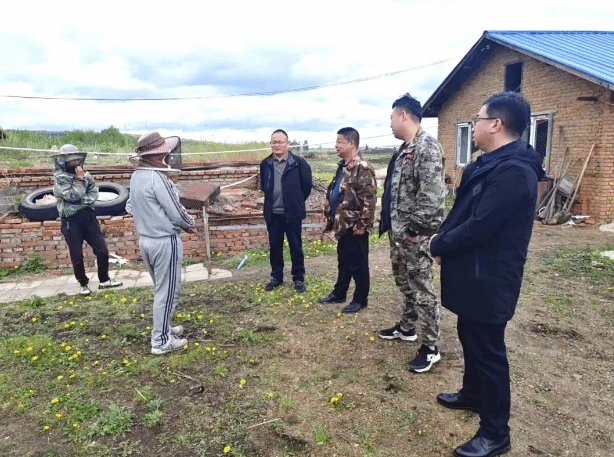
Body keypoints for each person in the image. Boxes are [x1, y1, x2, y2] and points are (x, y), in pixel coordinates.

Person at [430, 92, 544, 457]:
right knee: (469, 333)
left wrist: (440, 243)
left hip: (491, 278)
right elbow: (462, 212)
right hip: (473, 272)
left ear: (495, 124)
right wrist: (444, 241)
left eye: (477, 119)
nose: (474, 126)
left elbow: (481, 225)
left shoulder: (515, 172)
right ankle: (473, 393)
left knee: (488, 351)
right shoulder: (488, 164)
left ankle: (496, 434)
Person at [377, 93, 446, 373]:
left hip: (414, 235)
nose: (390, 123)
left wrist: (416, 230)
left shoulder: (426, 148)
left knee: (422, 289)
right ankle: (407, 327)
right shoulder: (405, 148)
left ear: (403, 115)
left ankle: (431, 347)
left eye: (392, 117)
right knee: (404, 281)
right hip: (399, 233)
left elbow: (431, 196)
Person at [126, 132, 195, 355]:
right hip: (164, 241)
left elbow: (129, 207)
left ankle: (164, 328)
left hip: (146, 240)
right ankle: (161, 341)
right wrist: (189, 223)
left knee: (161, 289)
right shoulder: (157, 178)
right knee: (168, 291)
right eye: (164, 152)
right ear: (157, 155)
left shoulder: (136, 176)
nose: (168, 155)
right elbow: (175, 211)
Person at [319, 127, 377, 313]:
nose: (336, 145)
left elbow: (369, 200)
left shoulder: (362, 168)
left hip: (355, 226)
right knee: (343, 260)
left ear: (351, 143)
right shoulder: (343, 166)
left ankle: (360, 299)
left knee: (358, 263)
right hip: (342, 224)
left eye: (339, 141)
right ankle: (339, 293)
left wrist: (362, 225)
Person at [52, 144, 122, 296]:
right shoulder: (60, 179)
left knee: (102, 250)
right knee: (77, 255)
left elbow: (93, 194)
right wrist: (79, 179)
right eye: (71, 160)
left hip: (88, 217)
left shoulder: (86, 175)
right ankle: (83, 284)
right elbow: (72, 196)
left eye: (77, 160)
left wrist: (81, 199)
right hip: (70, 220)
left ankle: (104, 280)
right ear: (64, 161)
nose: (75, 163)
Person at [260, 129, 312, 292]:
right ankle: (277, 277)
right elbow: (264, 187)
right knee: (275, 247)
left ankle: (298, 278)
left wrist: (295, 201)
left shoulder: (298, 163)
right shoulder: (265, 164)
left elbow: (307, 187)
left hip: (293, 213)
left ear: (288, 144)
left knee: (295, 246)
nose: (277, 145)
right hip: (273, 213)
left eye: (280, 142)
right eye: (274, 142)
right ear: (271, 144)